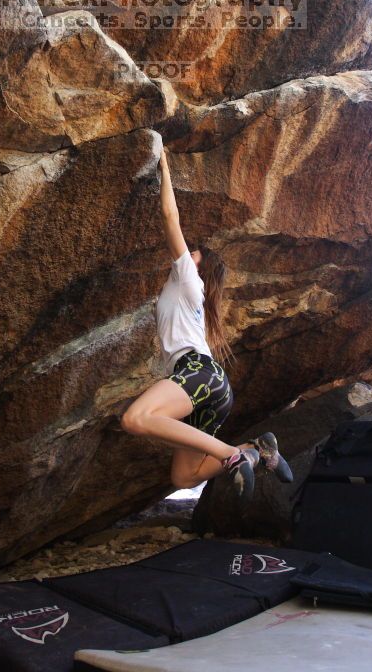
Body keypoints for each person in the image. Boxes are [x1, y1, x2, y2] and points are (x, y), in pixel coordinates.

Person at [120, 146, 292, 503]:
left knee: (135, 419)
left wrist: (165, 166)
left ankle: (230, 455)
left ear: (199, 265)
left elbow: (170, 218)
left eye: (194, 252)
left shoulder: (188, 279)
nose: (188, 251)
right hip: (214, 387)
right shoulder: (187, 290)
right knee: (185, 476)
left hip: (196, 372)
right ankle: (254, 451)